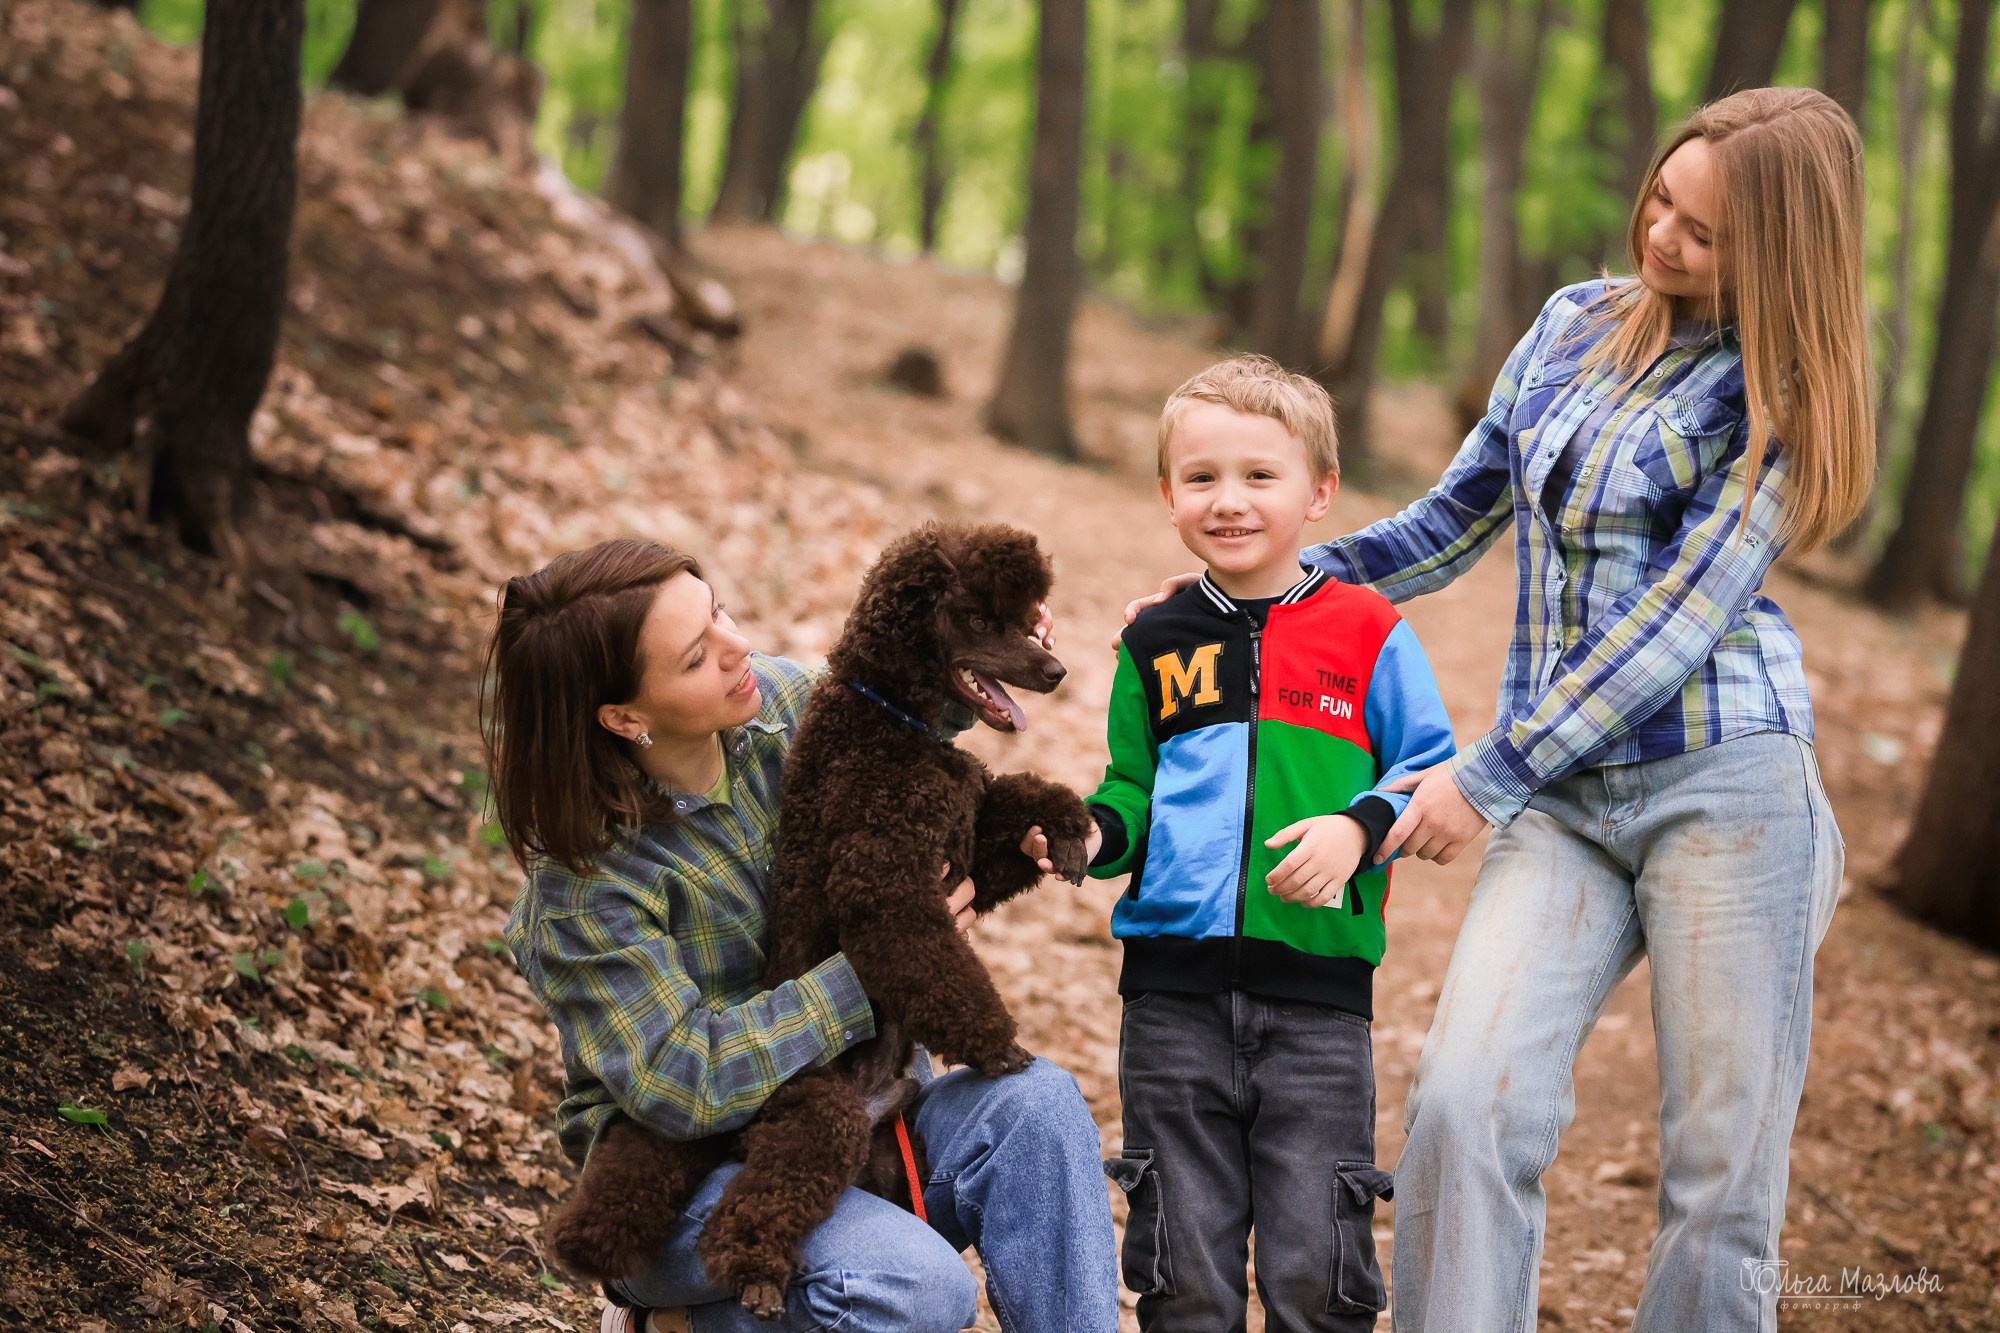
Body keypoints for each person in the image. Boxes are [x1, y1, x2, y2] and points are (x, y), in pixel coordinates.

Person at [1125, 89, 1871, 1331]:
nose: (1660, 239)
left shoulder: (1782, 394)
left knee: (1716, 1171)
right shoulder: (1573, 326)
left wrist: (1481, 774)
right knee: (1464, 1104)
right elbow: (1449, 518)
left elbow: (1671, 631)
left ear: (1781, 255)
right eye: (1660, 200)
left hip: (1726, 788)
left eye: (1702, 233)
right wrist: (1253, 588)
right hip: (1562, 799)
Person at [484, 538, 1119, 1333]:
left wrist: (978, 645)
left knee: (1042, 1106)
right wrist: (877, 969)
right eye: (694, 657)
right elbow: (687, 1079)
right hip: (690, 1180)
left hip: (863, 1109)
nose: (736, 645)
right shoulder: (581, 890)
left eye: (717, 610)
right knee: (917, 1287)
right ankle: (680, 1322)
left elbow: (902, 712)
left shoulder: (780, 708)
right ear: (625, 715)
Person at [1085, 356, 1457, 1331]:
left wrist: (1355, 826)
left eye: (1260, 475)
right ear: (1167, 493)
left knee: (1314, 1266)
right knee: (1181, 1264)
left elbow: (1426, 766)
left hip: (1316, 1010)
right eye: (1200, 477)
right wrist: (1090, 831)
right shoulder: (1153, 639)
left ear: (1318, 492)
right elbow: (1131, 782)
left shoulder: (1369, 631)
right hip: (1167, 1001)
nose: (1228, 500)